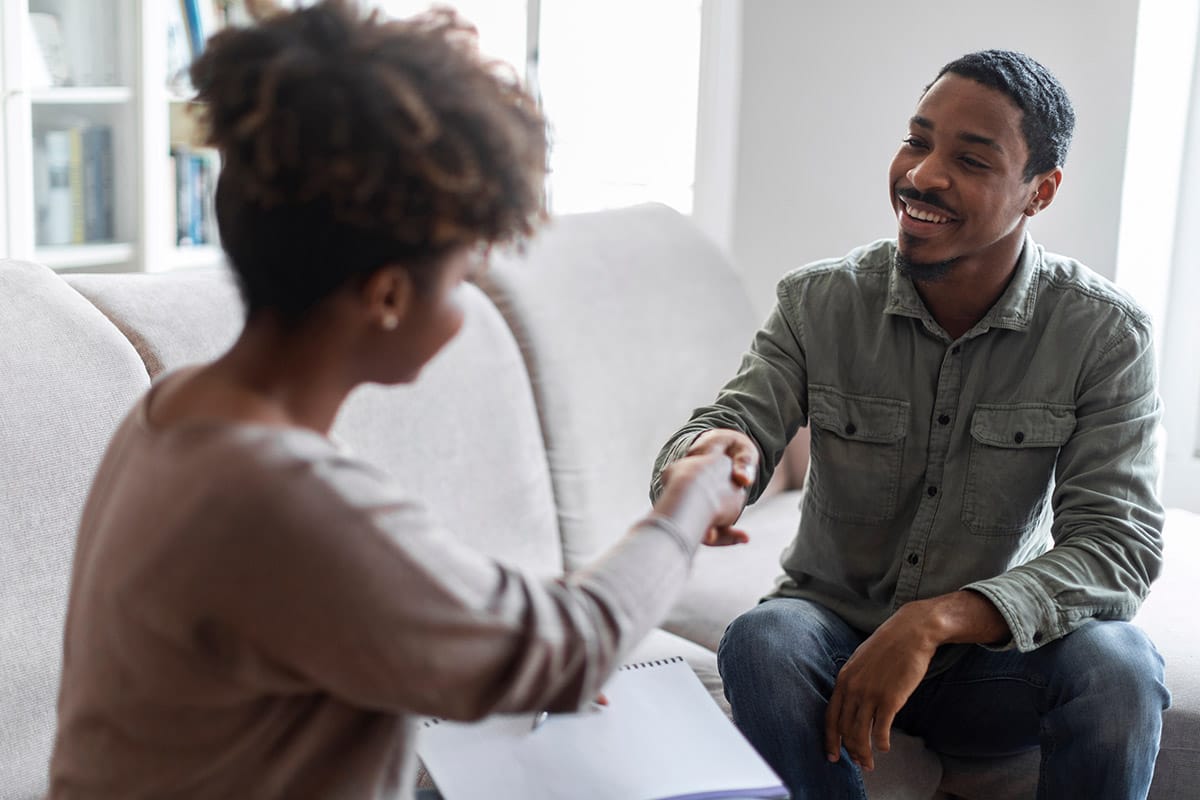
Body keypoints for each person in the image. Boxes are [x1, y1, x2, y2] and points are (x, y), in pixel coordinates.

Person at [46, 2, 753, 798]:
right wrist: (687, 507)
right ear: (385, 295)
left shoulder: (177, 415)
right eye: (460, 282)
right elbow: (568, 651)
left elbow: (357, 616)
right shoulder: (281, 496)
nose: (464, 313)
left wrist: (484, 654)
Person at [651, 49, 1171, 799]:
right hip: (834, 641)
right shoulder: (819, 302)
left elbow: (1116, 549)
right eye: (917, 139)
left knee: (1119, 664)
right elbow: (737, 421)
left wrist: (936, 621)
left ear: (1040, 191)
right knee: (764, 641)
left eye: (971, 158)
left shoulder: (1104, 334)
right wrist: (707, 465)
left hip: (997, 665)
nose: (923, 175)